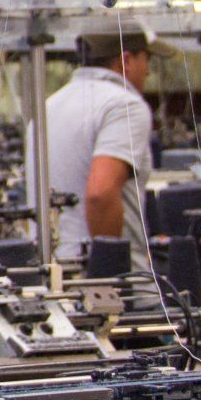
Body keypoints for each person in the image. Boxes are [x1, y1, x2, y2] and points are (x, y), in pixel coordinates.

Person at [39, 30, 173, 273]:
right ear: (126, 61)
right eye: (147, 61)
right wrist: (110, 278)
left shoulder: (48, 106)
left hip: (55, 271)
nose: (149, 71)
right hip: (108, 280)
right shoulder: (124, 105)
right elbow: (101, 193)